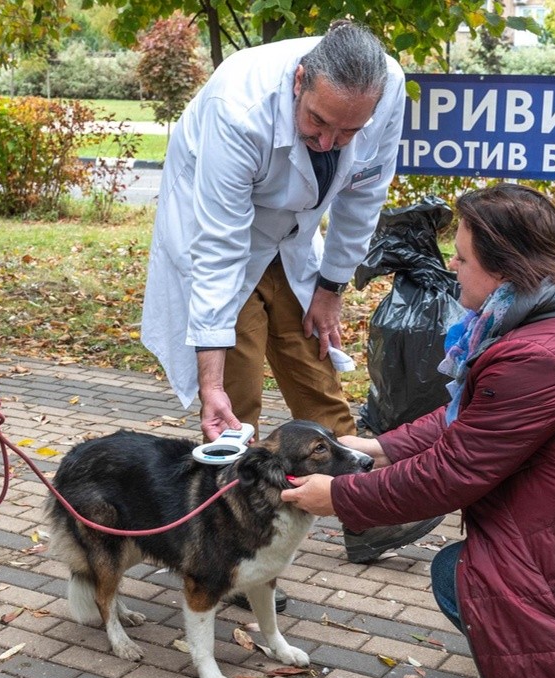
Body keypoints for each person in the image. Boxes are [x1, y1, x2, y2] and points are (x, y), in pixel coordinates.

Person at [281, 183, 555, 678]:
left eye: (462, 256)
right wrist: (381, 446)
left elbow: (453, 473)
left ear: (505, 267)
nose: (452, 267)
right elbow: (480, 418)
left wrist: (338, 494)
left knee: (466, 577)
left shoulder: (539, 354)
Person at [140, 20, 443, 601]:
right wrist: (210, 381)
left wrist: (331, 284)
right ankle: (233, 552)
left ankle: (366, 510)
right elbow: (220, 248)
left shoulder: (386, 87)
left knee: (312, 366)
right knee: (239, 394)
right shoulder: (239, 105)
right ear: (300, 81)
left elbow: (363, 193)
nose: (330, 142)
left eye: (347, 130)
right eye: (317, 123)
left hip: (294, 239)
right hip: (220, 235)